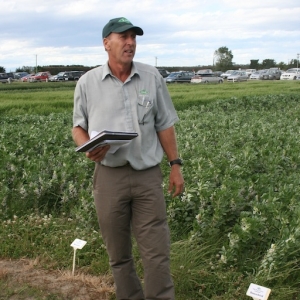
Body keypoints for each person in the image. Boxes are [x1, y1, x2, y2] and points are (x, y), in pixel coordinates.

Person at [72, 17, 184, 300]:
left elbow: (165, 123)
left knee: (156, 252)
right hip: (108, 177)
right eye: (123, 37)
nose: (130, 42)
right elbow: (78, 127)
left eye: (134, 37)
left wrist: (175, 165)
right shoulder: (87, 83)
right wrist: (87, 147)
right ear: (106, 43)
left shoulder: (151, 77)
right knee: (118, 253)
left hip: (147, 176)